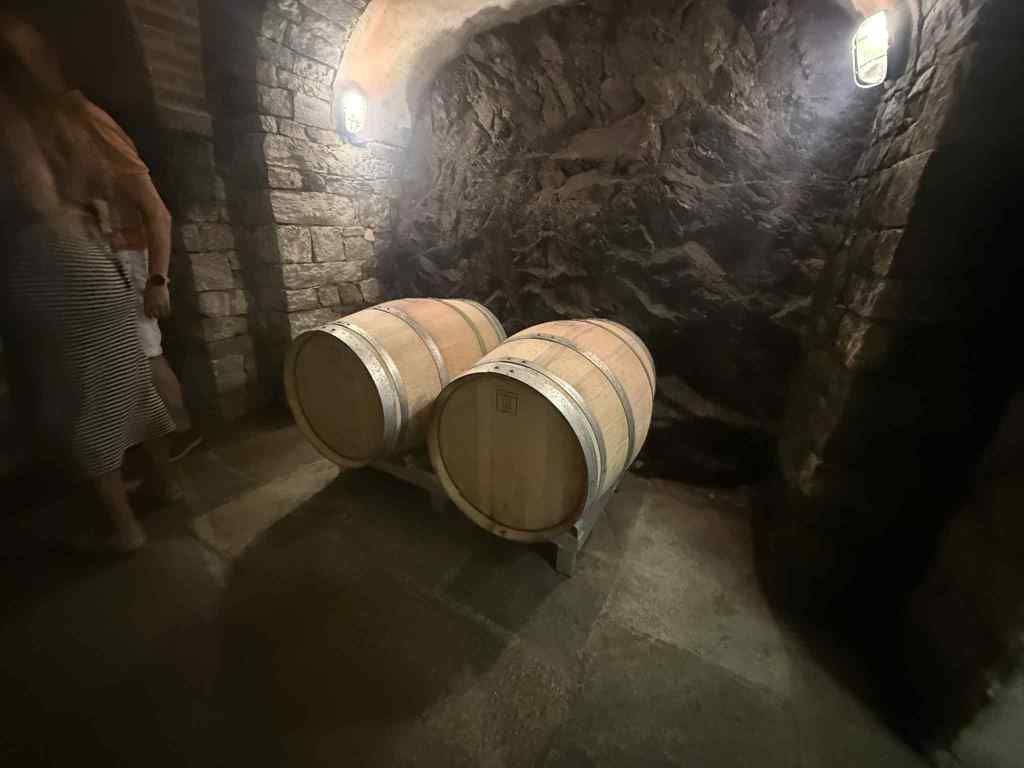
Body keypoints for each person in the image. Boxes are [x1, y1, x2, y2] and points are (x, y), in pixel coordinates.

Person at [0, 16, 174, 552]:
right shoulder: (67, 117)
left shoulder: (11, 117)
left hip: (51, 261)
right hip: (94, 254)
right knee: (131, 380)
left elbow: (36, 197)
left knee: (77, 397)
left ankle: (123, 528)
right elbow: (96, 188)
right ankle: (163, 484)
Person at [67, 90, 202, 463]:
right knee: (131, 356)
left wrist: (157, 280)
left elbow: (158, 213)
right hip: (105, 256)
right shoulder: (61, 120)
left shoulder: (86, 119)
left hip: (125, 256)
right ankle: (156, 440)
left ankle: (179, 433)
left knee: (146, 351)